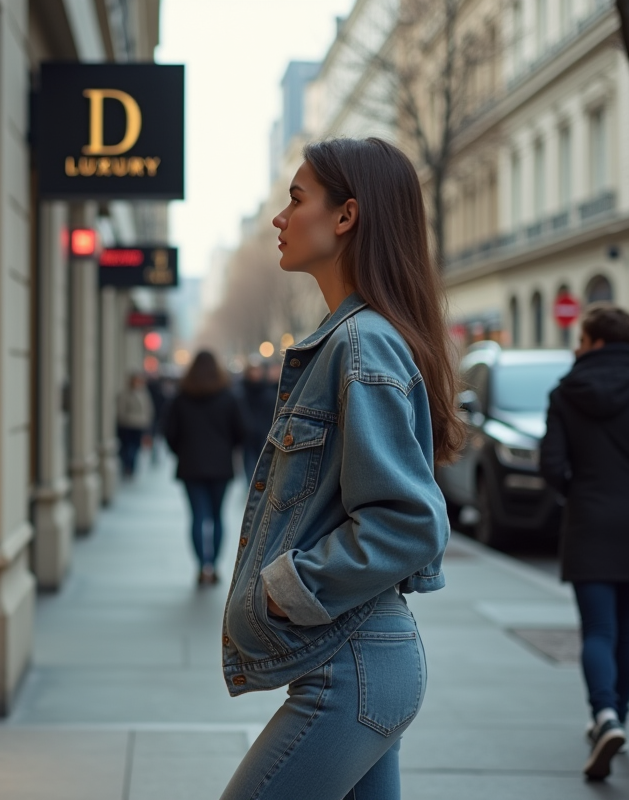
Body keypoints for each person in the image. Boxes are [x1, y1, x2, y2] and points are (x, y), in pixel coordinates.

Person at [219, 139, 460, 800]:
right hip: (355, 661)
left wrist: (287, 588)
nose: (280, 218)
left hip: (350, 667)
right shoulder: (349, 338)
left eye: (296, 200)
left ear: (346, 215)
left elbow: (410, 523)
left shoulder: (360, 344)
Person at [540, 305, 629, 781]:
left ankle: (604, 715)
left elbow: (551, 466)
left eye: (581, 339)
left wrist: (579, 491)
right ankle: (617, 716)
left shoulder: (565, 394)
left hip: (589, 521)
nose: (577, 347)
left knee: (598, 630)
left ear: (598, 342)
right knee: (627, 629)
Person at [165, 351, 245, 585]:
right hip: (221, 466)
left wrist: (182, 451)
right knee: (217, 517)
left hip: (191, 466)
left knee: (197, 517)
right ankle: (215, 565)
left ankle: (202, 566)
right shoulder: (228, 397)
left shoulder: (181, 398)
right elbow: (241, 431)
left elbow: (169, 432)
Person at [238, 362, 276, 480]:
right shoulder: (240, 393)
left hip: (265, 435)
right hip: (247, 437)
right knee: (250, 470)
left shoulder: (270, 393)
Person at [115, 373, 154, 478]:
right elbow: (121, 411)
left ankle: (131, 467)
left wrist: (147, 423)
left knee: (136, 448)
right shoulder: (125, 394)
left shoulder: (144, 393)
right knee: (127, 447)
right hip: (127, 426)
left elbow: (148, 409)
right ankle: (127, 466)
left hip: (139, 426)